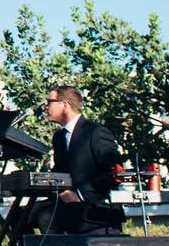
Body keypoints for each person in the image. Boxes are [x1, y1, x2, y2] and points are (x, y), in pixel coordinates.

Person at [33, 86, 125, 234]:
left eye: (49, 101)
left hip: (96, 207)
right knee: (20, 216)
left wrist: (80, 195)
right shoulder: (59, 137)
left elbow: (115, 172)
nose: (46, 106)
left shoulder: (95, 132)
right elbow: (60, 174)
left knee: (46, 217)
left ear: (64, 105)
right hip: (68, 206)